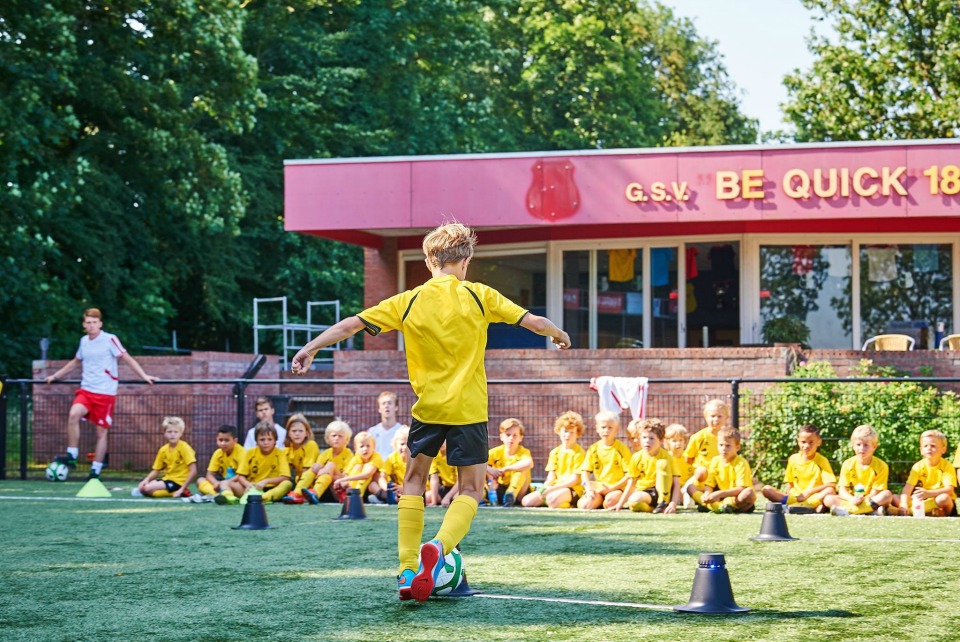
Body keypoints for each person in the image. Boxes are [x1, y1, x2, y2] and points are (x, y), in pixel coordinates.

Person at [291, 221, 570, 602]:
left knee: (412, 483)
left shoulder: (408, 300)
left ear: (427, 261)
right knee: (472, 488)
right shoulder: (479, 295)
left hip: (428, 410)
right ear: (466, 260)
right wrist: (558, 333)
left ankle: (407, 570)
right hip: (469, 411)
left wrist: (312, 346)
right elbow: (533, 321)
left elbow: (351, 325)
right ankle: (438, 548)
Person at [45, 308, 158, 479]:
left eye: (94, 322)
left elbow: (127, 358)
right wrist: (55, 376)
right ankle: (72, 454)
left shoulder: (110, 339)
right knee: (73, 414)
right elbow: (75, 362)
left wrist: (143, 375)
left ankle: (95, 470)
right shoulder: (84, 341)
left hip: (105, 393)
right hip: (87, 390)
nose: (91, 325)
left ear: (100, 324)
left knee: (101, 432)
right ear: (84, 324)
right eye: (88, 323)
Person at [761, 424, 837, 514]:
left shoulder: (822, 461)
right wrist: (789, 496)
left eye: (811, 442)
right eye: (803, 442)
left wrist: (808, 492)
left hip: (813, 496)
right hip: (795, 497)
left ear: (819, 442)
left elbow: (831, 485)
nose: (806, 445)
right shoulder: (793, 459)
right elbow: (790, 483)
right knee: (766, 489)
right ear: (798, 442)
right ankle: (808, 507)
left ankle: (799, 506)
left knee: (830, 491)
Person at [823, 425, 894, 516]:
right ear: (853, 446)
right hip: (851, 500)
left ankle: (847, 511)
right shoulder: (847, 464)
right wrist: (852, 499)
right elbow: (842, 490)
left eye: (866, 445)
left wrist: (862, 500)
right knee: (828, 499)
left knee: (887, 495)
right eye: (858, 444)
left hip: (869, 499)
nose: (861, 449)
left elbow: (875, 492)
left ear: (874, 446)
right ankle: (869, 511)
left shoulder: (881, 466)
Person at [521, 411, 586, 509]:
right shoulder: (554, 452)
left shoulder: (580, 453)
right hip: (555, 488)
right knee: (526, 501)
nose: (567, 435)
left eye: (572, 432)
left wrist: (552, 489)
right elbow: (551, 477)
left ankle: (566, 503)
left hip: (573, 489)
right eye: (565, 431)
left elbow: (574, 480)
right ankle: (557, 502)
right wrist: (545, 488)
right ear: (559, 431)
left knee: (551, 499)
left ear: (577, 434)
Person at [216, 421, 292, 504]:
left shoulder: (281, 454)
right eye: (262, 439)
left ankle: (264, 498)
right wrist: (247, 484)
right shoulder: (249, 453)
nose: (266, 442)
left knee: (287, 484)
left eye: (269, 439)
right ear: (256, 441)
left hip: (272, 488)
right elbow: (241, 475)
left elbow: (285, 477)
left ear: (275, 440)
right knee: (224, 483)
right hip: (251, 489)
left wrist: (266, 481)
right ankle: (229, 498)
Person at [613, 418, 677, 514]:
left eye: (651, 438)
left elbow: (676, 483)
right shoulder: (636, 457)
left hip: (663, 492)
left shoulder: (667, 457)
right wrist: (620, 504)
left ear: (660, 440)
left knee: (662, 464)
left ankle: (663, 502)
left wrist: (673, 504)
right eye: (644, 438)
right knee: (634, 502)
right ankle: (653, 510)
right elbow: (632, 482)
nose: (647, 441)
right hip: (646, 493)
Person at [576, 411, 632, 510]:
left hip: (616, 489)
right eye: (603, 427)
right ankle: (597, 501)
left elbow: (629, 475)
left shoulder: (622, 449)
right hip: (599, 489)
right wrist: (588, 489)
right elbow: (585, 472)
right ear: (597, 428)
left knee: (610, 501)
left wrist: (612, 488)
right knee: (585, 505)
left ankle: (606, 502)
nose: (606, 430)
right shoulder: (593, 449)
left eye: (610, 428)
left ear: (617, 430)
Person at [694, 427, 756, 514]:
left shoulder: (741, 463)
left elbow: (741, 488)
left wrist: (719, 494)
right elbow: (710, 483)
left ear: (737, 447)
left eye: (728, 446)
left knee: (748, 493)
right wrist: (707, 494)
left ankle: (717, 506)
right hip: (720, 497)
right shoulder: (715, 460)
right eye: (721, 445)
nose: (723, 448)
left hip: (734, 497)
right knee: (690, 487)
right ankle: (719, 507)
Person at [135, 417, 197, 499]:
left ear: (181, 433)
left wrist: (182, 488)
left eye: (176, 432)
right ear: (164, 433)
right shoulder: (163, 450)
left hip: (179, 482)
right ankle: (175, 493)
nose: (172, 434)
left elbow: (194, 471)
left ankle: (182, 491)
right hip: (167, 480)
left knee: (148, 488)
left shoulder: (184, 447)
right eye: (169, 432)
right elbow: (156, 470)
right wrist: (146, 480)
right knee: (145, 488)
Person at [898, 430, 956, 517]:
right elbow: (907, 489)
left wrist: (929, 493)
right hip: (923, 499)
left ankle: (910, 512)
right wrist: (903, 504)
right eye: (925, 446)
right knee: (896, 498)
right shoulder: (917, 467)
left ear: (943, 449)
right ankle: (923, 510)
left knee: (943, 498)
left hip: (940, 500)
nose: (929, 448)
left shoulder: (947, 466)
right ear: (921, 450)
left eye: (933, 446)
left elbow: (949, 490)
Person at [682, 399, 728, 497]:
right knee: (701, 471)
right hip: (704, 475)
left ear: (726, 418)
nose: (716, 419)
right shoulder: (698, 437)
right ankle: (694, 490)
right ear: (706, 417)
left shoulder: (728, 437)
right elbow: (688, 458)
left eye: (719, 416)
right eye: (712, 416)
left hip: (720, 474)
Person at [302, 420, 354, 504]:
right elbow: (317, 474)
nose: (336, 438)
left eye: (340, 436)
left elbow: (346, 477)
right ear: (327, 438)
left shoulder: (349, 455)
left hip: (339, 490)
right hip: (325, 489)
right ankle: (311, 493)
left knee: (330, 465)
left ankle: (315, 493)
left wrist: (329, 472)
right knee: (316, 468)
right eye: (333, 435)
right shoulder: (324, 454)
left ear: (347, 439)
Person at [485, 418, 534, 507]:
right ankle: (482, 496)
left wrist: (506, 469)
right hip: (500, 489)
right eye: (508, 435)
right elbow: (478, 462)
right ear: (501, 437)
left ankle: (511, 494)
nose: (511, 438)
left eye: (515, 435)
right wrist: (490, 469)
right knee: (483, 470)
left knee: (522, 469)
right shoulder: (496, 452)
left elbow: (529, 463)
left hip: (520, 493)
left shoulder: (524, 452)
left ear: (520, 438)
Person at [196, 425, 246, 501]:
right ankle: (219, 495)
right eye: (220, 440)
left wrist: (226, 482)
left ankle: (224, 495)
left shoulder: (241, 452)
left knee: (225, 484)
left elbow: (241, 475)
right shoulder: (218, 453)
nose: (223, 443)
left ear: (235, 441)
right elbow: (209, 475)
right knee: (200, 480)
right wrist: (215, 483)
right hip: (222, 484)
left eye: (226, 440)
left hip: (238, 485)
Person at [281, 414, 321, 505]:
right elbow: (285, 473)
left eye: (300, 431)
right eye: (294, 431)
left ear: (307, 433)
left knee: (311, 471)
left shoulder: (311, 445)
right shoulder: (287, 450)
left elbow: (306, 470)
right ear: (288, 433)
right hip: (300, 482)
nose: (297, 434)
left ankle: (297, 494)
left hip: (313, 481)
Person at [334, 431, 386, 501]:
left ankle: (357, 496)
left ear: (374, 447)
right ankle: (351, 493)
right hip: (359, 487)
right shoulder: (356, 458)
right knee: (357, 467)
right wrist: (344, 482)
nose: (365, 449)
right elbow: (345, 473)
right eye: (361, 446)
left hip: (374, 487)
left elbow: (367, 474)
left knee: (368, 471)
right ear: (356, 449)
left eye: (368, 446)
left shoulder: (376, 456)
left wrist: (345, 479)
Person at [373, 425, 410, 504]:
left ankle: (385, 499)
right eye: (402, 444)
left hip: (413, 490)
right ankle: (390, 498)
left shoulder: (417, 459)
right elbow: (382, 477)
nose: (405, 447)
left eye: (408, 444)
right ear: (395, 445)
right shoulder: (392, 457)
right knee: (372, 485)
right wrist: (388, 490)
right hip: (395, 490)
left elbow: (420, 481)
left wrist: (405, 488)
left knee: (427, 495)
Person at [663, 423, 697, 508]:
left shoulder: (689, 457)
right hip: (671, 489)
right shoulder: (665, 458)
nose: (678, 443)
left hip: (686, 488)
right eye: (674, 441)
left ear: (685, 441)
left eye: (681, 440)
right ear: (667, 442)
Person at [369, 391, 404, 459]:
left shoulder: (403, 431)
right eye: (383, 403)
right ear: (379, 409)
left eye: (389, 403)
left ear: (396, 407)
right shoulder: (371, 432)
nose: (386, 406)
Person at [426, 441, 458, 507]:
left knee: (456, 499)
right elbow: (434, 478)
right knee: (427, 497)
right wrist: (434, 502)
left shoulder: (456, 453)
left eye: (444, 440)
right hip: (445, 487)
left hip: (460, 488)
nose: (441, 442)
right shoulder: (434, 454)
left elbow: (461, 481)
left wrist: (448, 497)